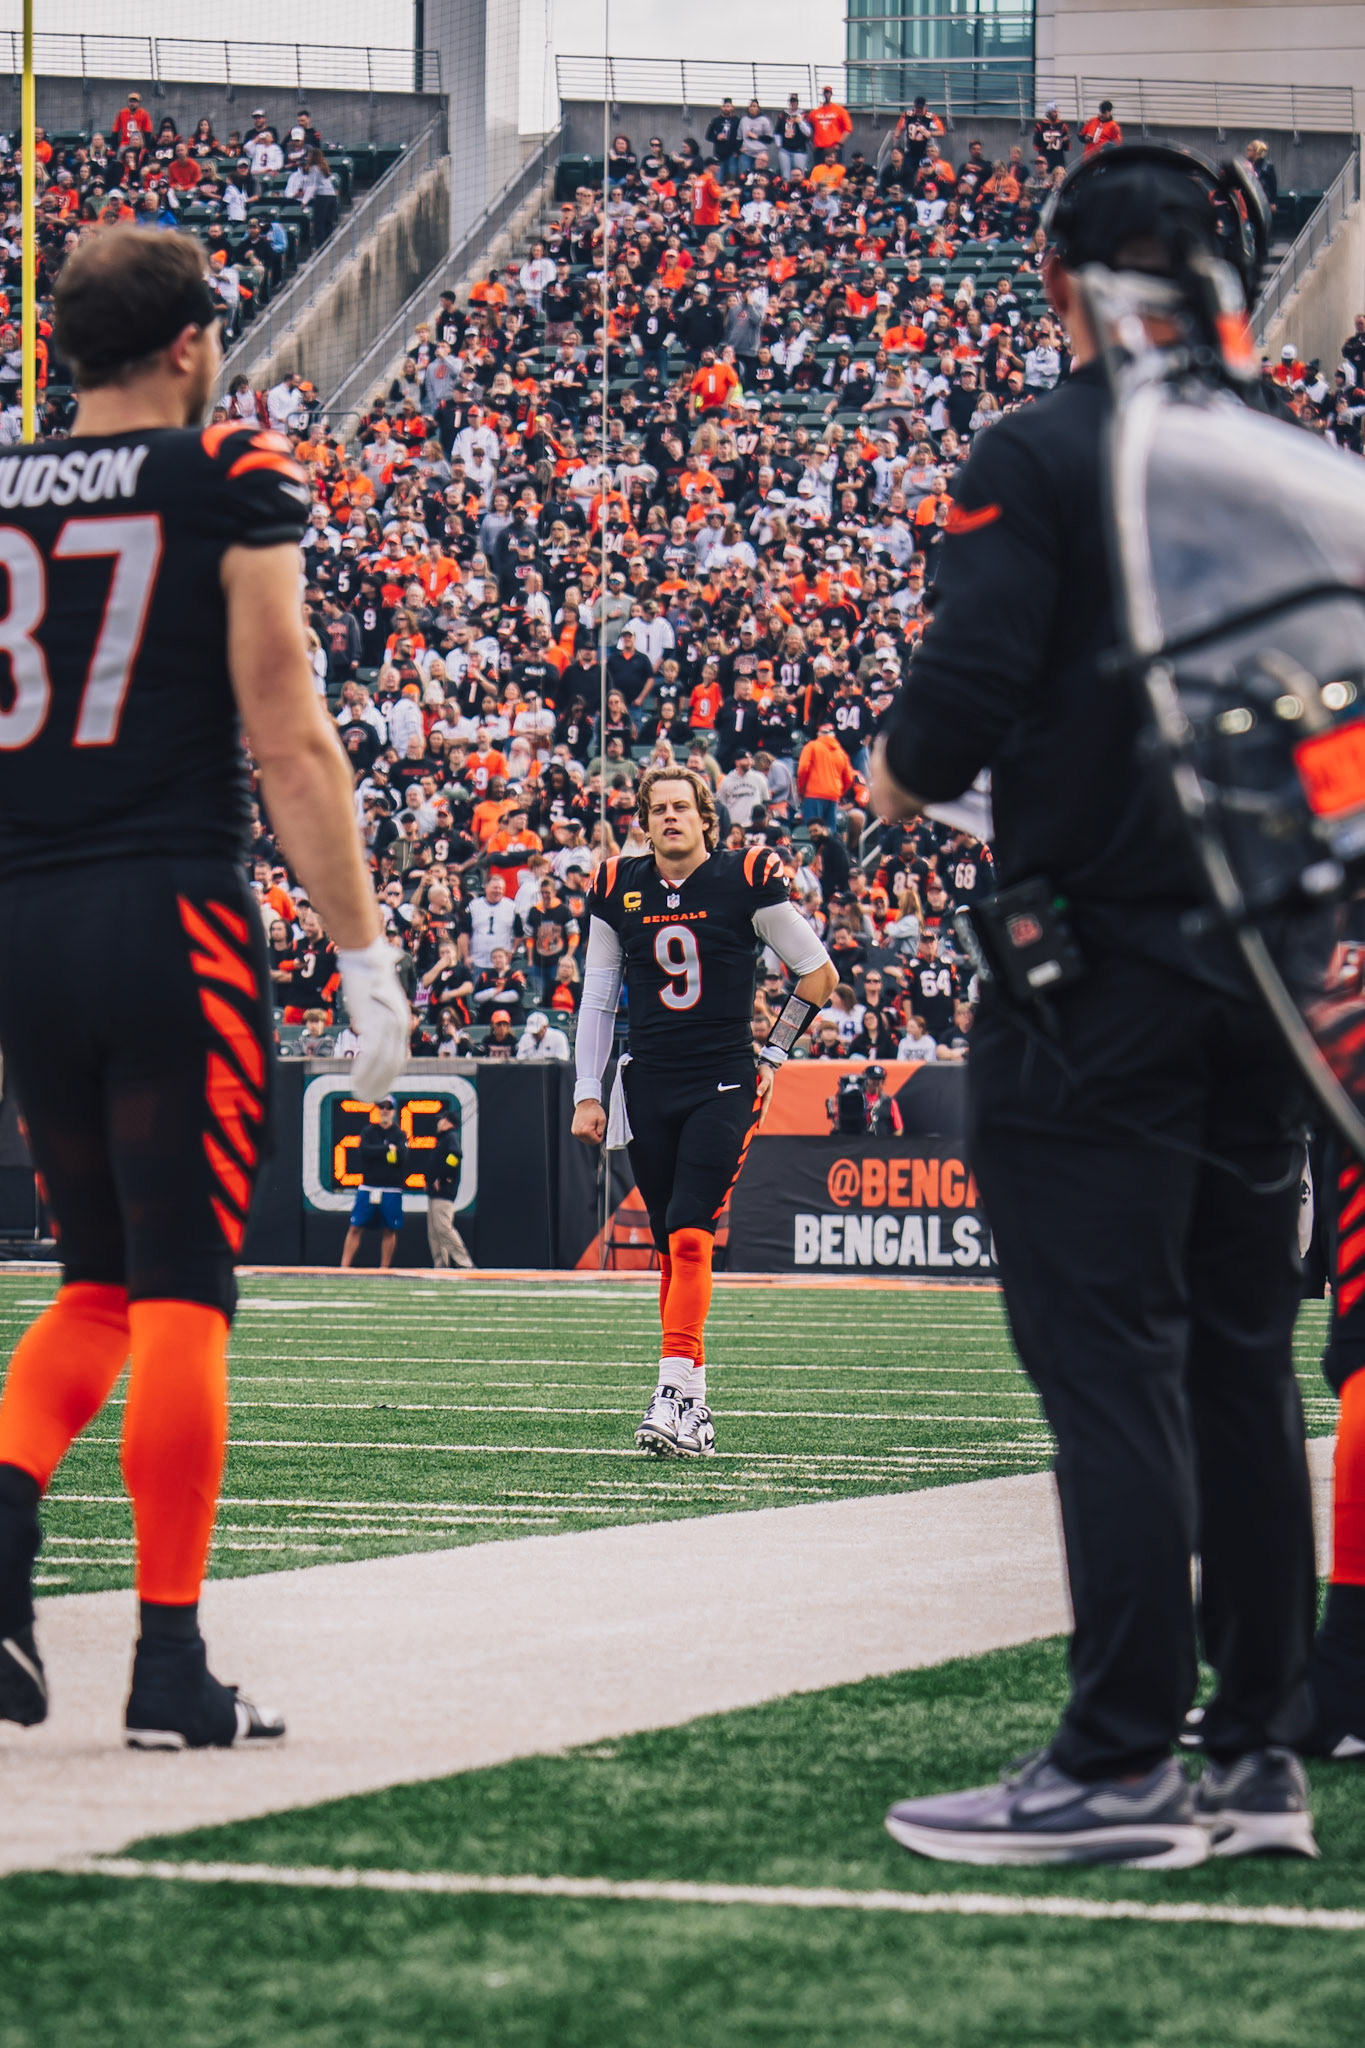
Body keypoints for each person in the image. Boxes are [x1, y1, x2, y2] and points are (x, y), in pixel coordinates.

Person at [873, 145, 1319, 1866]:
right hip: (1266, 976)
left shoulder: (1047, 449)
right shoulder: (1291, 461)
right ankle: (1257, 1752)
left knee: (1110, 1360)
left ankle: (1122, 1754)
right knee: (1240, 1364)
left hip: (1099, 974)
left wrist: (894, 784)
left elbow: (954, 710)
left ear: (1067, 280)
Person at [0, 228, 408, 1749]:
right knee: (181, 1287)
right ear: (187, 344)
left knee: (94, 1282)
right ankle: (169, 1663)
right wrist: (364, 955)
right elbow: (286, 727)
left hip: (24, 919)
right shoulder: (224, 469)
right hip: (168, 907)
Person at [572, 769, 835, 1457]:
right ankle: (696, 1409)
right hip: (647, 1083)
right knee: (669, 1246)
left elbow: (818, 972)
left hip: (721, 1081)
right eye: (657, 808)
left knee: (691, 1231)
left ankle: (668, 1391)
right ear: (643, 821)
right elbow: (597, 997)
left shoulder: (743, 876)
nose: (669, 817)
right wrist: (587, 1091)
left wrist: (773, 1054)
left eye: (681, 807)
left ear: (705, 817)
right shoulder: (615, 884)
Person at [340, 1097, 409, 1270]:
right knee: (355, 1226)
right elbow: (364, 1151)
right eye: (381, 1107)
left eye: (388, 1107)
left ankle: (384, 1269)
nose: (384, 1110)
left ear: (393, 1111)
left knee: (389, 1229)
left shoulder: (399, 1134)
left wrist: (378, 1152)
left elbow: (402, 1157)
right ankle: (344, 1268)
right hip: (368, 1187)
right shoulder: (369, 1131)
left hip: (391, 1189)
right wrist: (386, 1149)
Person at [424, 1109, 473, 1269]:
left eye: (441, 1120)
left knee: (444, 1228)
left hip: (444, 1193)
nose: (438, 1123)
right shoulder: (442, 1139)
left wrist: (443, 1177)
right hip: (434, 1193)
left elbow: (455, 1156)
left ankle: (464, 1262)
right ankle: (441, 1265)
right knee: (435, 1232)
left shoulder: (451, 1137)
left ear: (447, 1121)